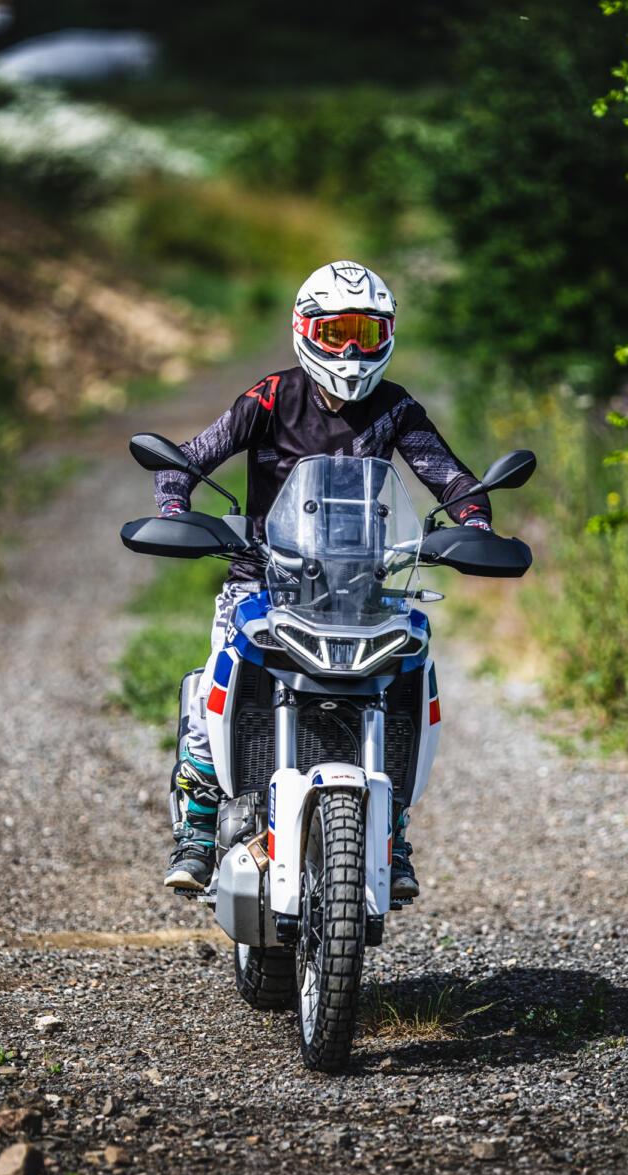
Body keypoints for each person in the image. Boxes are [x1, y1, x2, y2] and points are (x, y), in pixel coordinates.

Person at [156, 260, 491, 898]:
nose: (351, 351)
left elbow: (449, 477)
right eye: (336, 332)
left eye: (366, 332)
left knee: (405, 684)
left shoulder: (396, 408)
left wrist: (473, 519)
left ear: (387, 334)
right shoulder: (271, 398)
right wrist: (175, 507)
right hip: (264, 583)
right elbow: (188, 460)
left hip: (364, 591)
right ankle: (197, 831)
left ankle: (391, 830)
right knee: (209, 699)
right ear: (305, 329)